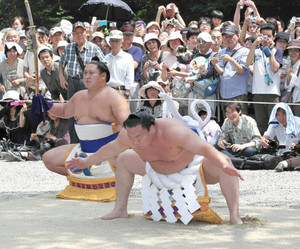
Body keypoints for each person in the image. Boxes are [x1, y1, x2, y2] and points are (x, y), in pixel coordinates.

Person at [66, 113, 244, 225]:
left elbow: (205, 148)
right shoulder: (129, 134)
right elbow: (111, 148)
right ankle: (120, 210)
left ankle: (234, 216)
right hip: (156, 171)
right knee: (124, 158)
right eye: (131, 137)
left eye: (139, 137)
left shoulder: (174, 131)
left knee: (226, 161)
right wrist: (86, 162)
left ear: (152, 128)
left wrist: (223, 164)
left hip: (192, 170)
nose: (135, 141)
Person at [42, 58, 130, 176]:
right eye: (85, 73)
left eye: (91, 73)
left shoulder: (115, 98)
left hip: (110, 153)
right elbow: (64, 111)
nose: (87, 76)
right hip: (83, 150)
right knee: (49, 158)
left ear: (103, 76)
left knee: (124, 160)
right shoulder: (79, 96)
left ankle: (98, 174)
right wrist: (45, 104)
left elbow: (130, 126)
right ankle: (85, 177)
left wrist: (120, 147)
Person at [59, 21, 107, 143]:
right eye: (77, 33)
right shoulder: (69, 48)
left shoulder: (93, 48)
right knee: (71, 112)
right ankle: (74, 142)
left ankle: (88, 141)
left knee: (87, 112)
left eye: (82, 32)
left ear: (86, 33)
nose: (79, 35)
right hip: (71, 82)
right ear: (73, 34)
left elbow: (105, 64)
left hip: (86, 83)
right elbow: (61, 64)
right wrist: (61, 77)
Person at [246, 23, 283, 135]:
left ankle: (276, 146)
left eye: (269, 36)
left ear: (274, 36)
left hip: (272, 93)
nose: (266, 39)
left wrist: (270, 51)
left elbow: (274, 68)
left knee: (275, 123)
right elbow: (248, 62)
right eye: (263, 36)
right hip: (257, 92)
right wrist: (254, 44)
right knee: (261, 124)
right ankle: (264, 147)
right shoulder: (256, 50)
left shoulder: (277, 50)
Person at [211, 24, 250, 114]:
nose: (228, 39)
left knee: (240, 120)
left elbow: (241, 70)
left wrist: (231, 59)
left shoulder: (244, 51)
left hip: (238, 93)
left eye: (231, 36)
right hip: (224, 94)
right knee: (227, 120)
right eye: (226, 36)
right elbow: (221, 72)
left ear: (237, 36)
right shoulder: (222, 51)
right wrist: (215, 65)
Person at [105, 30, 134, 99]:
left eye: (117, 41)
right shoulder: (106, 58)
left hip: (121, 91)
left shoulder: (128, 57)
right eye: (112, 41)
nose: (114, 44)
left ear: (122, 43)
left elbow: (130, 76)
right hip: (107, 91)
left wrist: (127, 93)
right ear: (109, 42)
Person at [284, 40, 300, 116]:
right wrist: (288, 77)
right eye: (291, 50)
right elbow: (287, 87)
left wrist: (292, 75)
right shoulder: (289, 65)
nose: (293, 53)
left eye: (296, 51)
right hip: (292, 101)